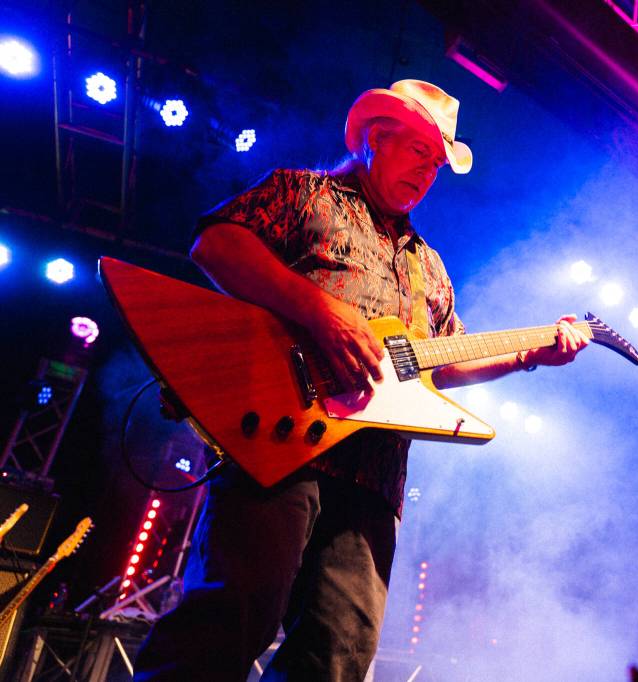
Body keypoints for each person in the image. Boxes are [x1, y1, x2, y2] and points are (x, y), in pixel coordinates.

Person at [132, 79, 589, 681]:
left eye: (437, 165)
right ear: (375, 138)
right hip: (280, 442)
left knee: (339, 652)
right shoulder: (304, 193)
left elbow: (443, 362)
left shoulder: (429, 266)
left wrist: (528, 355)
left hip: (373, 478)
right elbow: (215, 243)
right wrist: (321, 310)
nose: (427, 172)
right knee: (233, 618)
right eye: (419, 152)